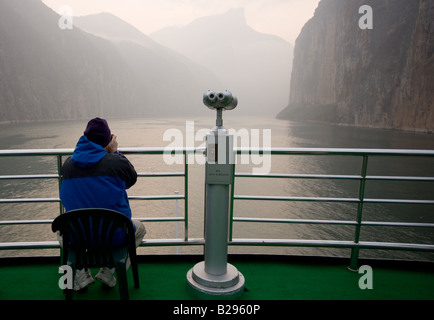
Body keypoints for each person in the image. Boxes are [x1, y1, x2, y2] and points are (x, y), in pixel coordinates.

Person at [59, 117, 146, 291]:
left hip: (78, 236)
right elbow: (131, 180)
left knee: (62, 233)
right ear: (107, 141)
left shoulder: (67, 165)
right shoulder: (116, 162)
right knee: (139, 229)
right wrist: (113, 152)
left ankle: (79, 275)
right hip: (114, 235)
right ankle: (109, 271)